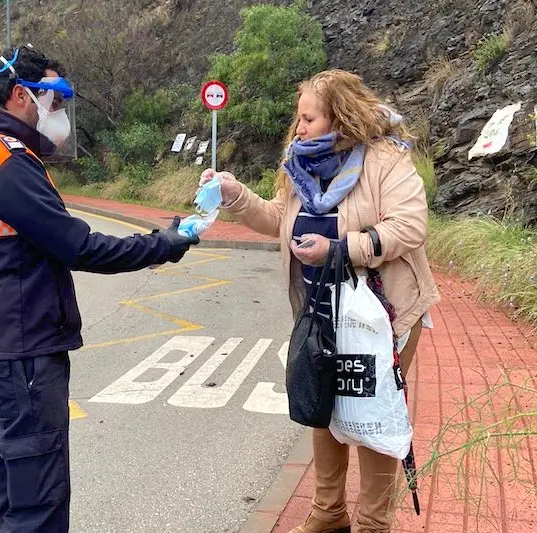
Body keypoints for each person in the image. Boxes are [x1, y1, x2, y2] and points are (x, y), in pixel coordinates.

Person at [0, 45, 199, 533]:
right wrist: (164, 245)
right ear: (23, 96)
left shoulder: (4, 155)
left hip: (15, 349)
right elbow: (80, 247)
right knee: (38, 508)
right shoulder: (5, 162)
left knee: (23, 497)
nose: (62, 114)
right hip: (23, 355)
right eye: (57, 100)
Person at [200, 69, 440, 533]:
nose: (299, 127)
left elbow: (410, 225)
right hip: (321, 310)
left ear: (340, 118)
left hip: (385, 312)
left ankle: (373, 523)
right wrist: (236, 196)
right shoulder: (299, 165)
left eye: (309, 118)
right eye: (299, 117)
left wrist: (341, 249)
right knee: (320, 402)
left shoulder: (386, 159)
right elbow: (278, 220)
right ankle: (329, 513)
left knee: (371, 410)